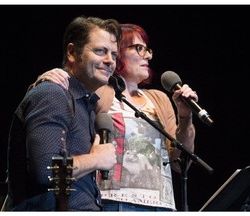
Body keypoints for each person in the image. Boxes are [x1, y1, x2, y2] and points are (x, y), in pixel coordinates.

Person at [29, 23, 198, 211]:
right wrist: (47, 78)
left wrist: (186, 117)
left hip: (161, 205)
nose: (148, 55)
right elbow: (65, 95)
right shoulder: (100, 91)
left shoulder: (159, 99)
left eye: (148, 49)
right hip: (113, 202)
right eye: (139, 48)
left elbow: (179, 163)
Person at [6, 16, 122, 211]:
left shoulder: (85, 105)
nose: (110, 60)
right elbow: (45, 170)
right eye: (100, 51)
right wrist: (96, 159)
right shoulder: (52, 93)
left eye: (114, 54)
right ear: (71, 52)